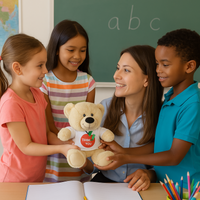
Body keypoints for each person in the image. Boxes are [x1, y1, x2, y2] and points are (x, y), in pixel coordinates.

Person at [97, 29, 200, 189]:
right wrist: (124, 152)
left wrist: (127, 158)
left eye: (164, 64)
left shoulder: (193, 104)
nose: (158, 70)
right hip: (164, 185)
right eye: (157, 64)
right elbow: (159, 145)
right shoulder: (170, 98)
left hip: (186, 188)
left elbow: (174, 156)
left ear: (189, 66)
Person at [82, 45, 163, 191]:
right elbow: (92, 165)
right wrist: (81, 160)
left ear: (147, 79)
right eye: (117, 68)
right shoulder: (103, 109)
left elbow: (163, 159)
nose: (116, 75)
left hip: (140, 188)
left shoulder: (162, 115)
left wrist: (149, 174)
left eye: (126, 70)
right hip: (104, 184)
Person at [0, 33, 79, 182]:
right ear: (17, 68)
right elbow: (26, 146)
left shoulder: (38, 94)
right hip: (13, 180)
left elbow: (46, 134)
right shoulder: (11, 103)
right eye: (39, 65)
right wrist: (60, 149)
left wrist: (66, 144)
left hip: (35, 177)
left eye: (45, 64)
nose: (45, 71)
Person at [40, 19, 95, 182]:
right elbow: (49, 127)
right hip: (55, 156)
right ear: (57, 49)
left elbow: (89, 124)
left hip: (80, 153)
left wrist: (78, 148)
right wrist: (68, 147)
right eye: (71, 50)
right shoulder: (45, 82)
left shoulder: (88, 82)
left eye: (83, 50)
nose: (77, 56)